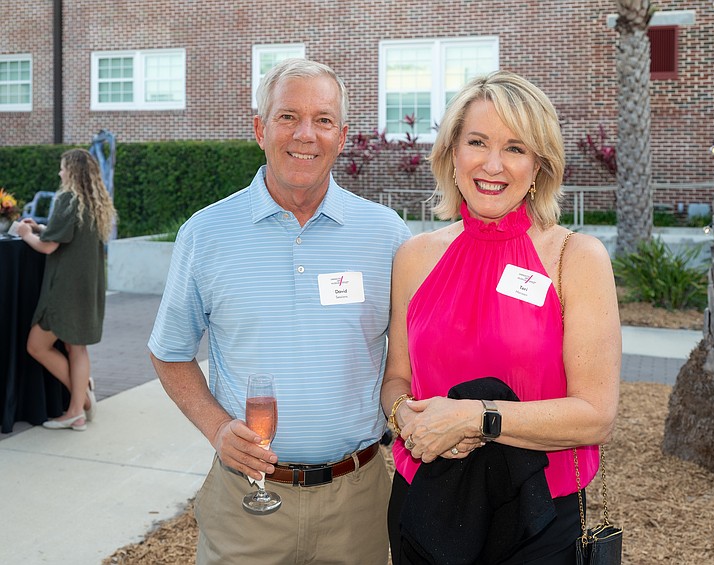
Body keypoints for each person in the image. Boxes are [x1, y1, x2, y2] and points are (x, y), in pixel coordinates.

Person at [148, 58, 410, 565]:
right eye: (288, 116)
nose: (305, 135)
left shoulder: (386, 235)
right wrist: (217, 428)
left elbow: (413, 355)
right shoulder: (205, 235)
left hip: (358, 502)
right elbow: (170, 352)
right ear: (259, 129)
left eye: (323, 120)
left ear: (342, 135)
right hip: (247, 504)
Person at [381, 71, 622, 564]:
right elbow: (397, 379)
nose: (493, 164)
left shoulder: (576, 259)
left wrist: (477, 418)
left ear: (539, 166)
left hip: (536, 519)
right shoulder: (414, 257)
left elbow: (595, 415)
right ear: (452, 153)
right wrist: (404, 416)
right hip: (425, 502)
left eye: (515, 148)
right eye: (477, 142)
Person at [17, 149, 116, 432]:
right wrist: (41, 227)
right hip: (87, 287)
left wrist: (26, 234)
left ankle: (81, 401)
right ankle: (77, 409)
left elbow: (48, 246)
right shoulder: (95, 203)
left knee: (36, 346)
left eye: (62, 168)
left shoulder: (67, 198)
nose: (60, 173)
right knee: (77, 348)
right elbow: (68, 234)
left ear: (71, 171)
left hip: (64, 289)